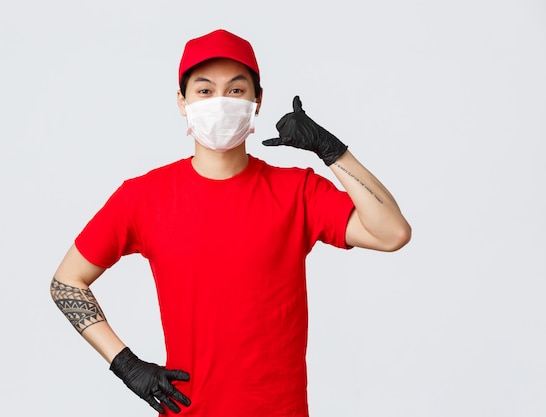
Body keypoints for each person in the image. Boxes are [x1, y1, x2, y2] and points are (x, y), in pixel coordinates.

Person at [51, 28, 411, 416]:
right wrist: (125, 364)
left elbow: (392, 233)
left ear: (258, 101)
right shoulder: (143, 196)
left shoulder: (297, 192)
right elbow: (66, 281)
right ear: (182, 102)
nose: (220, 102)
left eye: (236, 90)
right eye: (205, 91)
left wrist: (331, 150)